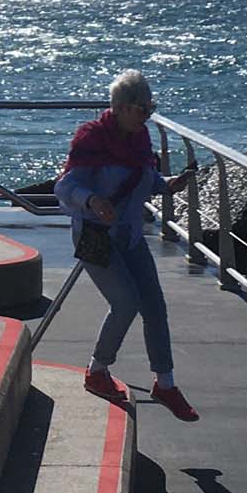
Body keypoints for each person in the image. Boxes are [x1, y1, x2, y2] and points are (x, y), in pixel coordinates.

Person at [56, 70, 201, 420]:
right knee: (125, 303)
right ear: (120, 108)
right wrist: (92, 200)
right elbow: (65, 188)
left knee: (155, 306)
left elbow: (144, 179)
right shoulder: (92, 140)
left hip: (130, 235)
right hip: (95, 236)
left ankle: (165, 383)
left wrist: (167, 184)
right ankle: (97, 370)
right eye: (141, 109)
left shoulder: (139, 140)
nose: (147, 115)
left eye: (150, 108)